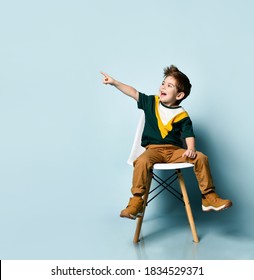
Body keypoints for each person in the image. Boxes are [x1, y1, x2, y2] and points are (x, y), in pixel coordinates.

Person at [101, 65, 232, 220]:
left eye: (169, 86)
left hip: (174, 151)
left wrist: (191, 148)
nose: (163, 87)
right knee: (141, 161)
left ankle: (209, 197)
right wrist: (115, 82)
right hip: (153, 150)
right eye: (163, 83)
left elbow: (189, 134)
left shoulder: (182, 114)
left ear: (179, 95)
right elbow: (133, 92)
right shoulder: (151, 103)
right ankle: (136, 201)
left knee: (201, 157)